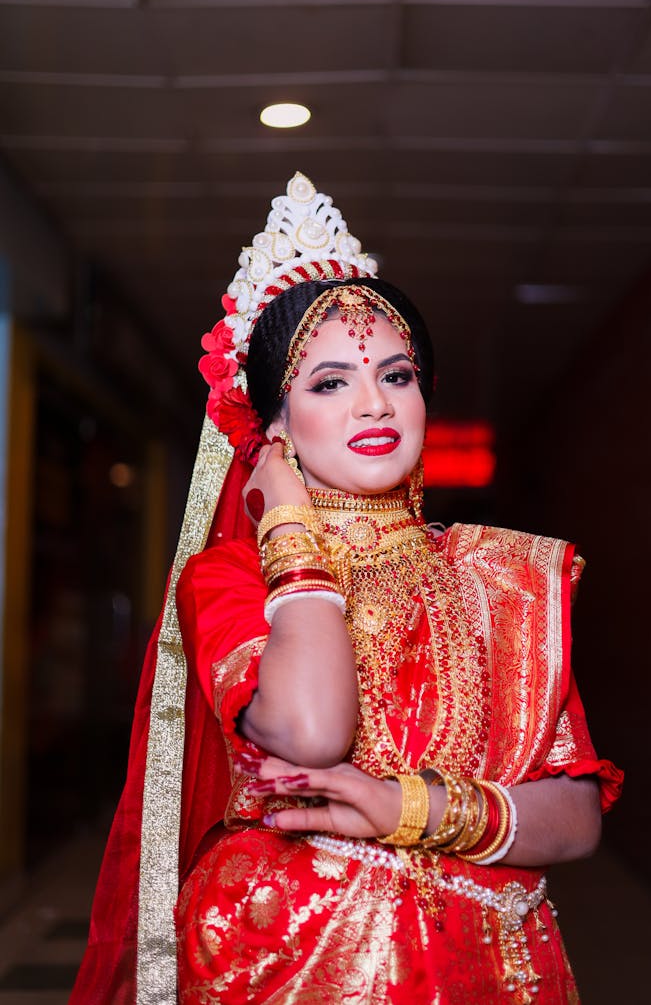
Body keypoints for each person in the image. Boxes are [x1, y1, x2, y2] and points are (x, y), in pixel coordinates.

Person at [71, 173, 622, 1004]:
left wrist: (406, 806)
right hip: (285, 958)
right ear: (275, 424)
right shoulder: (232, 576)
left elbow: (576, 818)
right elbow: (312, 727)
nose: (374, 400)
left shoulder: (502, 577)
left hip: (488, 965)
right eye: (329, 382)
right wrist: (288, 522)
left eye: (397, 375)